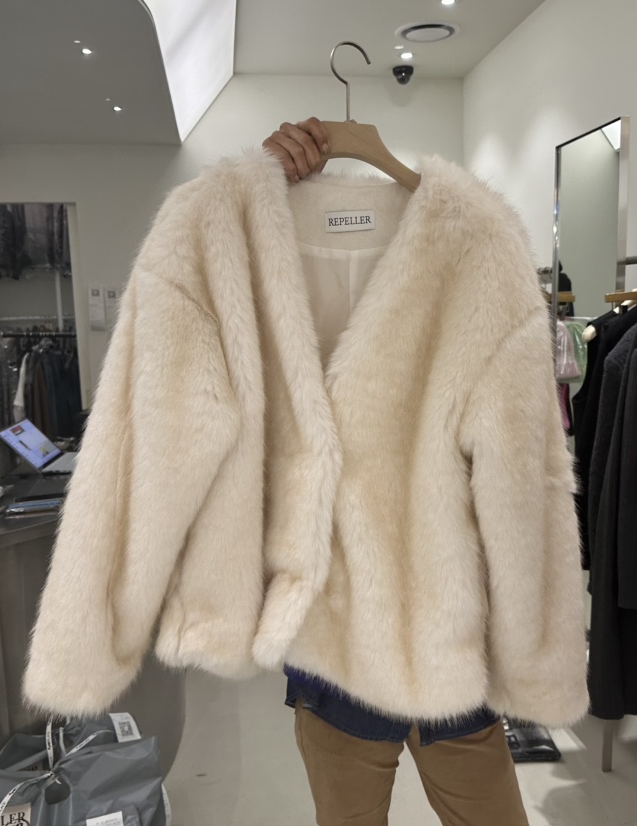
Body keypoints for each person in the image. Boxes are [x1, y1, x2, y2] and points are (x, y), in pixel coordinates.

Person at [262, 117, 531, 826]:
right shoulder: (254, 253)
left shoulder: (475, 252)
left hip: (448, 628)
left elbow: (517, 459)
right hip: (334, 631)